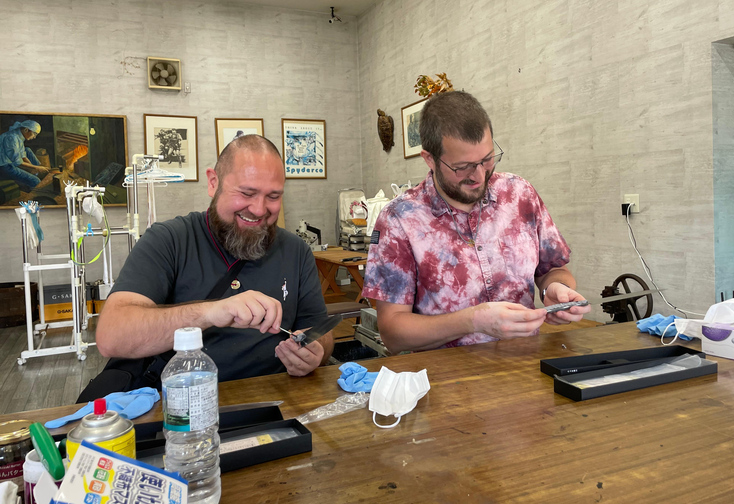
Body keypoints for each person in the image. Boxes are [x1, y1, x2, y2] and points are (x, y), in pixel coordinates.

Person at [362, 91, 591, 353]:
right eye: (463, 167)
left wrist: (557, 289)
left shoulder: (519, 194)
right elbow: (393, 333)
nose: (479, 176)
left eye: (487, 160)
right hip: (447, 381)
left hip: (525, 368)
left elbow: (553, 270)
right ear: (430, 159)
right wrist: (473, 321)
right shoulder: (400, 219)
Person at [96, 134, 332, 382]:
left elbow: (319, 331)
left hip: (275, 402)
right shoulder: (169, 240)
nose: (260, 209)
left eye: (273, 197)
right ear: (213, 182)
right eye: (247, 193)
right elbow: (112, 336)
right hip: (179, 404)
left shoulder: (296, 251)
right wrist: (211, 313)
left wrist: (315, 351)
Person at [0, 120, 50, 191]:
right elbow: (18, 163)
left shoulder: (19, 136)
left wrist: (32, 168)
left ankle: (38, 173)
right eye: (34, 134)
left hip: (11, 161)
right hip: (4, 166)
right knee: (35, 181)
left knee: (28, 150)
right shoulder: (12, 138)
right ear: (26, 130)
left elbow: (23, 156)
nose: (35, 137)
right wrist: (35, 168)